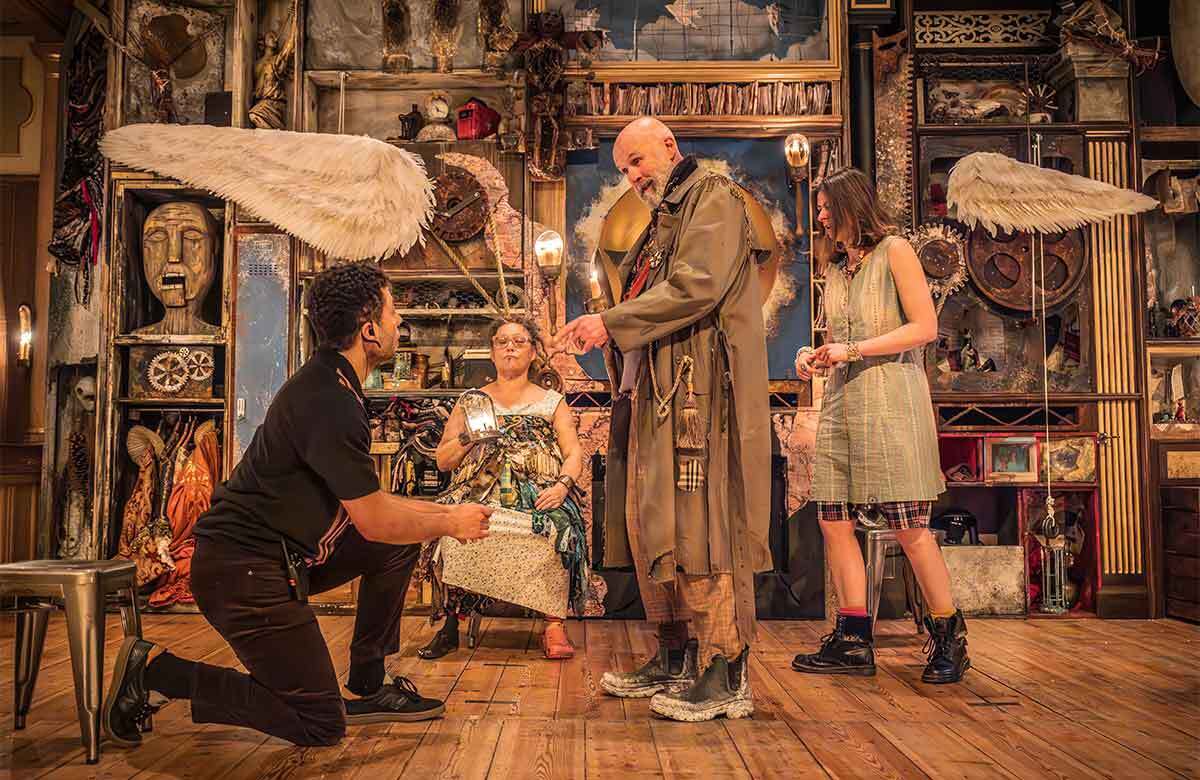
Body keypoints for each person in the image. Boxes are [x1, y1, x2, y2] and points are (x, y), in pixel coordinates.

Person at [102, 262, 493, 748]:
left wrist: (439, 519)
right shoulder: (328, 398)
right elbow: (373, 521)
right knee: (321, 723)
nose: (400, 324)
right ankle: (157, 670)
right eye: (394, 313)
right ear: (369, 331)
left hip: (281, 559)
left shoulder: (338, 385)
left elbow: (377, 514)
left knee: (399, 545)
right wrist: (450, 520)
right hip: (242, 572)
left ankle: (368, 686)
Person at [556, 117, 772, 722]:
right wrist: (607, 329)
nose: (631, 175)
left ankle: (726, 672)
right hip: (654, 395)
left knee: (700, 527)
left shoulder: (714, 198)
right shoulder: (662, 219)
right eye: (623, 167)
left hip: (697, 395)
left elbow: (695, 287)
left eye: (637, 161)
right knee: (650, 524)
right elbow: (645, 298)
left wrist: (611, 323)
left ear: (670, 148)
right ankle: (675, 654)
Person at [792, 167, 970, 684]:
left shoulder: (895, 250)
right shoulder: (838, 268)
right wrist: (814, 354)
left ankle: (947, 637)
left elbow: (924, 327)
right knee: (833, 520)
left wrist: (852, 349)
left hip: (892, 404)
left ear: (850, 206)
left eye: (825, 207)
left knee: (909, 525)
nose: (820, 215)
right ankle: (852, 637)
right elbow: (838, 334)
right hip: (844, 406)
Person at [416, 316, 593, 660]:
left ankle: (554, 624)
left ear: (532, 353)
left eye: (519, 341)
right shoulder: (472, 401)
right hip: (480, 493)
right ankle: (451, 625)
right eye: (502, 342)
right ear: (493, 353)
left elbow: (573, 454)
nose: (510, 347)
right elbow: (442, 461)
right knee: (450, 528)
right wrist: (471, 436)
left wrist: (562, 486)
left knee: (559, 526)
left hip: (539, 494)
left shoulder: (551, 401)